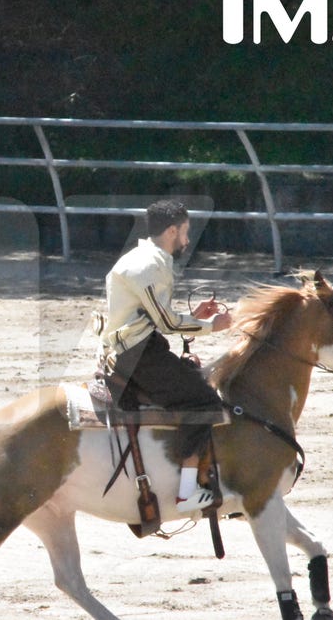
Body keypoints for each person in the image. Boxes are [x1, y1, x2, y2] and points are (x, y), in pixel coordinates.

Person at [100, 199, 232, 512]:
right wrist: (212, 325)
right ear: (172, 230)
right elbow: (167, 322)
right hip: (138, 355)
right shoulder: (148, 265)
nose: (187, 240)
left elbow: (157, 316)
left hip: (137, 347)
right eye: (185, 232)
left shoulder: (147, 259)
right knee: (204, 401)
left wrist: (195, 318)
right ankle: (187, 493)